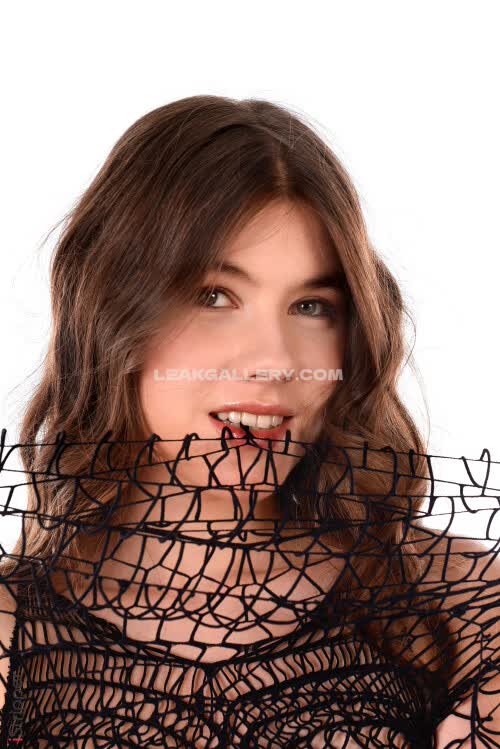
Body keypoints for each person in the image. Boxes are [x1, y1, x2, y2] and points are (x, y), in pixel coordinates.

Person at [0, 95, 498, 747]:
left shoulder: (457, 608)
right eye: (214, 296)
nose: (275, 361)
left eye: (312, 306)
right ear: (112, 313)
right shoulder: (13, 633)